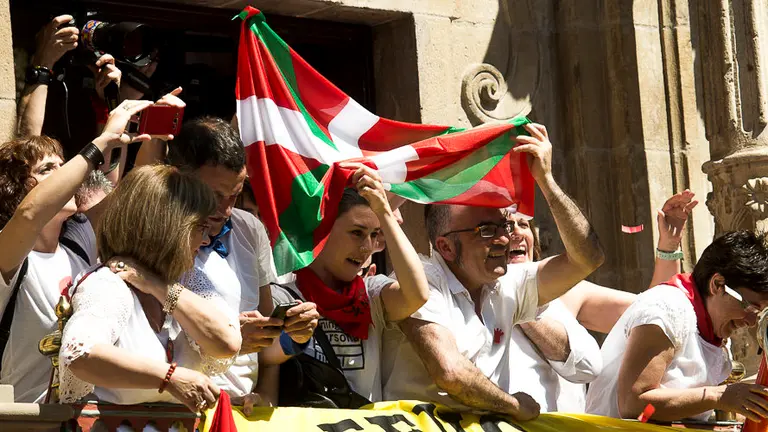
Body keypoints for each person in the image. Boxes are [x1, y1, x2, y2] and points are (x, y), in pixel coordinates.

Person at [382, 122, 605, 420]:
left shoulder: (508, 283)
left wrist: (546, 181)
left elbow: (587, 259)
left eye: (504, 226)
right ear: (446, 248)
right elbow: (450, 373)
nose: (504, 239)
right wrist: (513, 406)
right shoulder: (422, 282)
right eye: (485, 230)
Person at [136, 115, 319, 407]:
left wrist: (292, 335)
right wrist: (227, 340)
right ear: (177, 177)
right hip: (173, 412)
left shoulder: (250, 229)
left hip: (238, 414)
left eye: (234, 196)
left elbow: (266, 342)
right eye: (214, 195)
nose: (225, 210)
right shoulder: (146, 237)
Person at [0, 99, 155, 402]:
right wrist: (101, 142)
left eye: (64, 166)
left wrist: (154, 138)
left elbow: (133, 192)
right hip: (18, 418)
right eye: (48, 169)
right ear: (17, 190)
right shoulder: (9, 252)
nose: (66, 176)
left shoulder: (77, 246)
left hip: (77, 418)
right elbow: (30, 215)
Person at [58, 165, 241, 412]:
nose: (206, 239)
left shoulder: (188, 281)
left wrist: (159, 287)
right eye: (199, 227)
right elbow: (79, 355)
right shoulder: (108, 283)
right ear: (168, 228)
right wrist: (169, 378)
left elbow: (227, 343)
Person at [501, 191, 697, 412]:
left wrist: (669, 246)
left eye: (523, 224)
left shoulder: (568, 291)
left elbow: (654, 314)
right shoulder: (476, 294)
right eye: (507, 226)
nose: (517, 232)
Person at [271, 163, 430, 402]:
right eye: (357, 233)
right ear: (322, 230)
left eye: (374, 234)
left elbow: (417, 294)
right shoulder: (281, 299)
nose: (367, 248)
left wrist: (384, 211)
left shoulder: (372, 294)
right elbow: (265, 368)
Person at [586, 230, 768, 423]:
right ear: (717, 284)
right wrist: (718, 397)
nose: (751, 322)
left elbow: (695, 409)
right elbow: (635, 407)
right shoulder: (666, 309)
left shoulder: (717, 331)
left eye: (759, 312)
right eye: (749, 306)